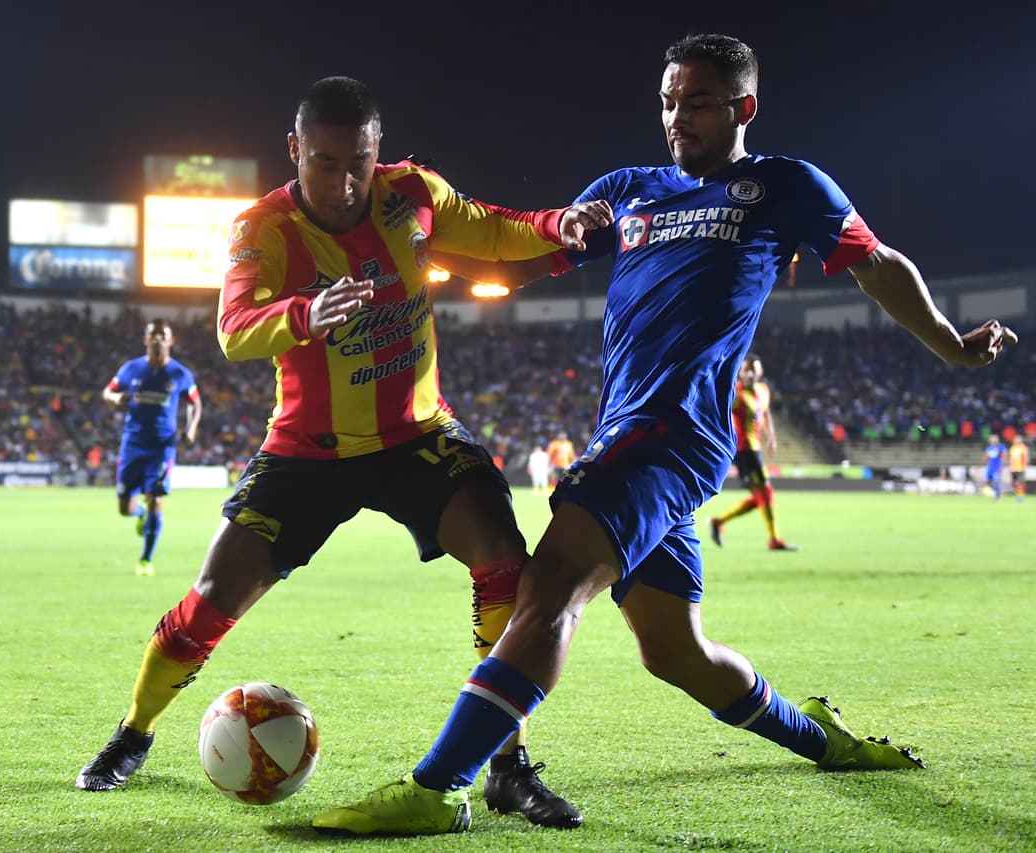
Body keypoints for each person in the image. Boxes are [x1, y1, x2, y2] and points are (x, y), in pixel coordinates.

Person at [313, 34, 1018, 835]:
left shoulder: (784, 186)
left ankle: (437, 786)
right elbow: (529, 251)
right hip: (626, 430)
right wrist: (442, 238)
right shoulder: (630, 189)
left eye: (699, 101)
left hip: (674, 434)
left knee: (548, 594)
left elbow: (876, 261)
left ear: (743, 107)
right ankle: (821, 736)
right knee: (673, 650)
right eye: (669, 100)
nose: (678, 116)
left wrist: (953, 344)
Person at [74, 76, 614, 829]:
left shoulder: (411, 193)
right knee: (210, 601)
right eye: (325, 162)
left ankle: (507, 764)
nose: (344, 179)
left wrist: (561, 223)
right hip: (307, 451)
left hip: (418, 436)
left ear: (378, 149)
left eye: (358, 160)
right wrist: (304, 312)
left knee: (504, 558)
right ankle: (133, 733)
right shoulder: (262, 229)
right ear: (295, 150)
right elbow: (234, 328)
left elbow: (493, 230)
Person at [101, 319, 202, 576]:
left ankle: (146, 560)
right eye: (153, 334)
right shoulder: (131, 369)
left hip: (162, 446)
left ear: (170, 341)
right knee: (124, 508)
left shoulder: (180, 374)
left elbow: (195, 403)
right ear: (146, 340)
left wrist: (190, 428)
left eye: (163, 335)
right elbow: (107, 392)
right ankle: (140, 514)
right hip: (132, 444)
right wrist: (116, 398)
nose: (157, 338)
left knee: (156, 497)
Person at [709, 354, 797, 550]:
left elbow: (764, 412)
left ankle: (719, 521)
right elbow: (719, 411)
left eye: (753, 369)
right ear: (741, 372)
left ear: (760, 372)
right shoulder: (737, 395)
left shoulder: (763, 391)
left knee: (762, 495)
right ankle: (773, 539)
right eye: (746, 369)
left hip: (755, 448)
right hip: (744, 450)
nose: (749, 373)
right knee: (765, 493)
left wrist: (771, 436)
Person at [983, 433, 1006, 501]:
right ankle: (993, 495)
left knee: (995, 483)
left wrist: (1001, 466)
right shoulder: (989, 448)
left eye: (993, 438)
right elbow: (986, 457)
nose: (991, 440)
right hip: (990, 468)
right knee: (987, 482)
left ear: (997, 439)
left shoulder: (1001, 447)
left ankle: (997, 497)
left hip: (996, 468)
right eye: (991, 439)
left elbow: (1003, 457)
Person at [1009, 436, 1028, 502]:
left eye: (1018, 440)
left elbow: (1026, 457)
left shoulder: (1023, 448)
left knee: (1020, 483)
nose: (1016, 441)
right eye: (1015, 440)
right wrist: (1011, 466)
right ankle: (1018, 494)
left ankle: (1020, 497)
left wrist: (1025, 466)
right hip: (1013, 468)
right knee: (1014, 483)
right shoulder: (1013, 448)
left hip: (1020, 468)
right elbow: (1011, 458)